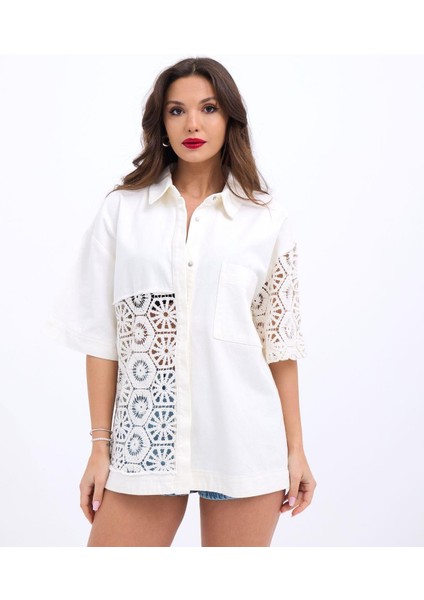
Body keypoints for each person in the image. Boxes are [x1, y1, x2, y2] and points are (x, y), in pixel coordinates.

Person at [43, 56, 317, 547]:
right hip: (145, 441)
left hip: (244, 442)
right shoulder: (122, 211)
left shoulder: (266, 220)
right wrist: (100, 448)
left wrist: (295, 450)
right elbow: (102, 340)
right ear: (161, 123)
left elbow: (279, 345)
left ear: (230, 118)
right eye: (177, 110)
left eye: (208, 108)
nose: (193, 123)